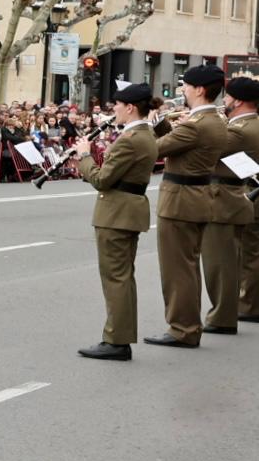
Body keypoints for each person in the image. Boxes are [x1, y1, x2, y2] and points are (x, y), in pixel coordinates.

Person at [144, 65, 229, 349]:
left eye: (186, 86)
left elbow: (155, 150)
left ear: (200, 89)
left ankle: (183, 328)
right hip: (197, 196)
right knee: (188, 266)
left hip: (181, 199)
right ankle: (188, 325)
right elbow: (178, 145)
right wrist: (160, 125)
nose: (183, 90)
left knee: (177, 269)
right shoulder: (213, 120)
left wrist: (144, 127)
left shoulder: (196, 124)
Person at [74, 83, 159, 361]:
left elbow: (101, 179)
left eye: (118, 106)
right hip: (127, 211)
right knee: (122, 277)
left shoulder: (131, 138)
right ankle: (119, 336)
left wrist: (84, 155)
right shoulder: (145, 134)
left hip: (117, 213)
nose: (115, 111)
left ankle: (117, 340)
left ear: (130, 107)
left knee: (115, 278)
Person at [202, 76, 259, 332]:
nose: (223, 100)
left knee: (236, 258)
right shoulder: (248, 124)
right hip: (246, 193)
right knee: (249, 255)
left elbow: (203, 149)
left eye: (227, 96)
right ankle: (249, 305)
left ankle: (240, 308)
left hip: (241, 194)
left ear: (238, 100)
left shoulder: (241, 129)